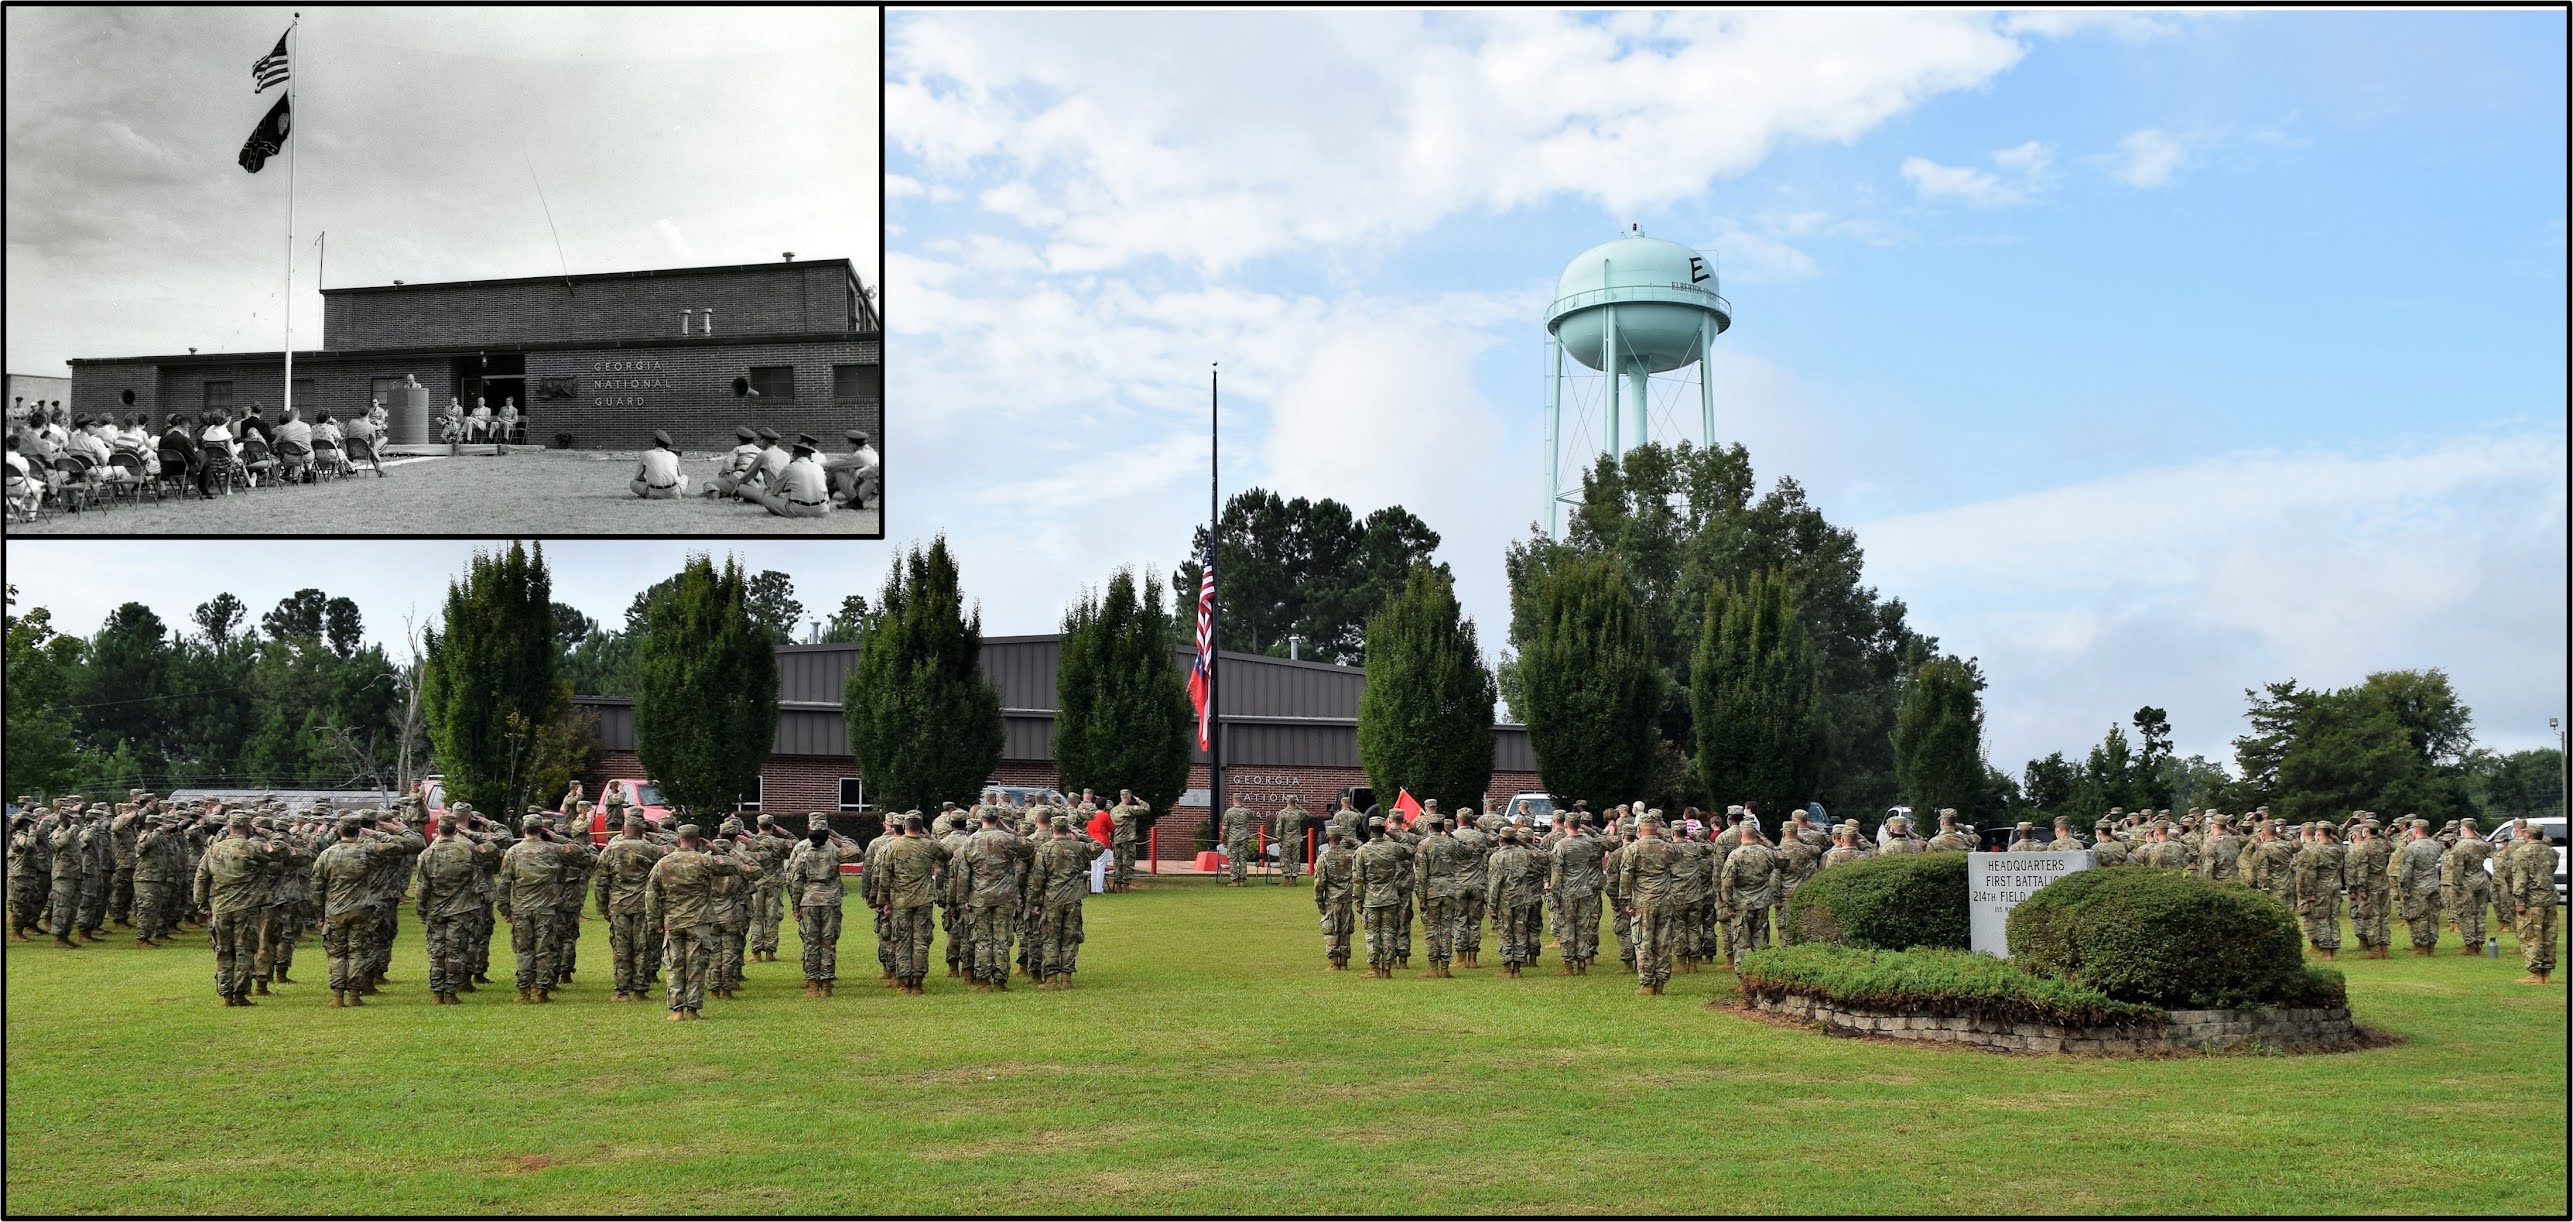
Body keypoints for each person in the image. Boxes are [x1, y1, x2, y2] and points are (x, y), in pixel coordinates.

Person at [643, 823, 752, 1021]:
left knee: (674, 965)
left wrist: (655, 921)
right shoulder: (705, 860)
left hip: (673, 921)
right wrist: (716, 849)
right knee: (696, 965)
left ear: (679, 840)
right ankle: (692, 1009)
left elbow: (651, 894)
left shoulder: (663, 863)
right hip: (698, 921)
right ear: (697, 840)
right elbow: (734, 866)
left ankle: (677, 1010)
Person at [192, 812, 283, 1005]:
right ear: (248, 828)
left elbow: (201, 878)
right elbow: (280, 848)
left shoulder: (213, 849)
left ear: (229, 828)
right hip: (246, 908)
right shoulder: (253, 848)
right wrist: (266, 833)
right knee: (244, 951)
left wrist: (202, 905)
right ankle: (240, 993)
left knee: (223, 951)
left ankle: (226, 994)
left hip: (220, 907)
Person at [312, 814, 385, 1006]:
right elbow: (400, 846)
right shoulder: (367, 851)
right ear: (358, 831)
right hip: (361, 909)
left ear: (338, 830)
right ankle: (354, 995)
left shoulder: (327, 854)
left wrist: (319, 915)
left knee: (337, 953)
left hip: (335, 910)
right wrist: (376, 834)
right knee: (357, 951)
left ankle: (338, 996)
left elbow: (316, 887)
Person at [593, 814, 666, 1002]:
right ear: (641, 831)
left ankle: (622, 991)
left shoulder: (610, 850)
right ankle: (640, 990)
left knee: (621, 948)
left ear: (622, 830)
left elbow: (601, 881)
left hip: (619, 906)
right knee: (643, 947)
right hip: (644, 905)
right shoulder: (651, 849)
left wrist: (603, 907)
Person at [498, 814, 568, 1003]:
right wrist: (557, 837)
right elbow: (583, 853)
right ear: (542, 830)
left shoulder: (513, 852)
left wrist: (505, 910)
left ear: (523, 830)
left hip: (522, 909)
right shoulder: (553, 849)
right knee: (545, 950)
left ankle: (524, 992)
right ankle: (542, 991)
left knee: (524, 950)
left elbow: (504, 883)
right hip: (546, 909)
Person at [785, 812, 857, 995]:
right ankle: (826, 984)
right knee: (828, 942)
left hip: (809, 901)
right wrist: (838, 837)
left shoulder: (802, 854)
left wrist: (795, 906)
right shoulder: (835, 851)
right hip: (831, 901)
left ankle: (812, 984)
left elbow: (795, 882)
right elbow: (857, 853)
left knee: (811, 942)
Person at [876, 813, 949, 995]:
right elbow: (948, 854)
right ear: (921, 827)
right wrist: (929, 836)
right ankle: (917, 982)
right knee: (920, 941)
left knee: (902, 941)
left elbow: (884, 877)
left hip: (900, 901)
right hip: (924, 900)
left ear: (904, 827)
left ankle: (904, 982)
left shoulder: (892, 847)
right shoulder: (928, 845)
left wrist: (884, 901)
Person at [1619, 811, 1686, 995]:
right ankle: (1660, 982)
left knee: (1643, 943)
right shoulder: (1668, 848)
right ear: (1656, 829)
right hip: (1665, 900)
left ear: (1639, 829)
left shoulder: (1632, 849)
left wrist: (1625, 900)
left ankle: (1647, 984)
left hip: (1643, 901)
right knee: (1663, 943)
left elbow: (1626, 877)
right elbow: (1679, 856)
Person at [2499, 819, 2558, 984]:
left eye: (2525, 833)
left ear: (2529, 835)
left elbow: (2520, 879)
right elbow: (2551, 870)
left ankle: (2536, 973)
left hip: (2532, 901)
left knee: (2531, 936)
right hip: (2550, 899)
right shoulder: (2550, 851)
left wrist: (2519, 901)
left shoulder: (2522, 852)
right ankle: (2546, 973)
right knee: (2549, 936)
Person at [1720, 816, 1780, 971]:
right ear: (1756, 835)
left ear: (1740, 834)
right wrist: (1765, 841)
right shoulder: (1767, 852)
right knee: (1761, 941)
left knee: (1742, 943)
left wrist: (1729, 906)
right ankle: (1760, 973)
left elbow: (1726, 883)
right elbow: (1783, 859)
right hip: (1762, 903)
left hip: (1742, 904)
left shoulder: (1735, 855)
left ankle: (1743, 976)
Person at [1548, 814, 1605, 973]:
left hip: (1567, 893)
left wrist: (1554, 895)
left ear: (1566, 825)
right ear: (1580, 825)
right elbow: (1609, 842)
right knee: (1583, 928)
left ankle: (1568, 966)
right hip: (1585, 891)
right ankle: (1581, 964)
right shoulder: (1588, 842)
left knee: (1567, 928)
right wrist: (1591, 831)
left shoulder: (1561, 845)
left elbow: (1556, 873)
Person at [2291, 822, 2345, 960]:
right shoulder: (2337, 849)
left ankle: (2326, 952)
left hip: (2321, 889)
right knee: (2333, 919)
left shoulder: (2314, 851)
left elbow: (2310, 873)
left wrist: (2308, 892)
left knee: (2322, 919)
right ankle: (2333, 950)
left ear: (2319, 834)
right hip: (2335, 886)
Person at [2441, 818, 2495, 956]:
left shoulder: (2461, 846)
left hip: (2467, 883)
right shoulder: (2482, 844)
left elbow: (2458, 868)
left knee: (2467, 914)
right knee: (2480, 914)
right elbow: (2489, 849)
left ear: (2463, 829)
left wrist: (2455, 887)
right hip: (2482, 880)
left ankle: (2471, 945)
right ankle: (2480, 942)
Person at [746, 434, 832, 517]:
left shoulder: (790, 468)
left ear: (795, 455)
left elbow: (774, 491)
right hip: (822, 510)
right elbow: (825, 491)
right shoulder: (819, 468)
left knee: (767, 498)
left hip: (798, 509)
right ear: (809, 456)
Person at [2394, 817, 2445, 956]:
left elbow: (2406, 871)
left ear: (2415, 831)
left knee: (2418, 918)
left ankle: (2421, 947)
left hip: (2417, 887)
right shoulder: (2435, 845)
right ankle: (2431, 945)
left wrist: (2404, 890)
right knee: (2433, 917)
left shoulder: (2411, 847)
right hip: (2433, 885)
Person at [2344, 820, 2394, 958]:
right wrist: (2382, 835)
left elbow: (2362, 869)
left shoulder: (2362, 847)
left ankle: (2375, 949)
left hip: (2370, 886)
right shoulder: (2384, 844)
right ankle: (2385, 948)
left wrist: (2361, 889)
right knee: (2383, 917)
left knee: (2371, 916)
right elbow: (2393, 846)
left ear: (2365, 831)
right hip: (2383, 883)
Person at [1312, 831, 1358, 971]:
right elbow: (1361, 847)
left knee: (1331, 930)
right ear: (1341, 838)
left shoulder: (1324, 857)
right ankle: (1344, 962)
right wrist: (1349, 839)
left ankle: (1333, 962)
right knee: (1345, 930)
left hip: (1331, 900)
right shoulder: (1351, 855)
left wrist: (1319, 901)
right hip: (1347, 898)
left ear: (1327, 838)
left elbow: (1319, 883)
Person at [823, 429, 880, 508]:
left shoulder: (859, 455)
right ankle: (830, 490)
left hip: (861, 494)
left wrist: (814, 465)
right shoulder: (872, 452)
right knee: (845, 469)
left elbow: (830, 465)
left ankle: (828, 492)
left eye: (850, 444)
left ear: (854, 444)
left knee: (835, 470)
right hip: (871, 493)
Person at [1107, 789, 1149, 892]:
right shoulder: (1130, 809)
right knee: (1128, 861)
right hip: (1128, 839)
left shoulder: (1113, 810)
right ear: (1129, 797)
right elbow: (1146, 808)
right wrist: (1139, 800)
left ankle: (1117, 885)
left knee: (1118, 862)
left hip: (1117, 838)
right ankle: (1125, 886)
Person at [630, 430, 688, 498]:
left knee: (633, 483)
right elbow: (679, 476)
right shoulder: (673, 455)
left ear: (655, 443)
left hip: (654, 492)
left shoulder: (646, 454)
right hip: (673, 492)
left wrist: (646, 482)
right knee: (685, 477)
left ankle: (650, 494)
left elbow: (637, 477)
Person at [272, 406, 314, 483]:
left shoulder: (284, 428)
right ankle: (306, 471)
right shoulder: (307, 426)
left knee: (289, 453)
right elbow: (310, 440)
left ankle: (279, 478)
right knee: (309, 450)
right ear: (299, 416)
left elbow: (275, 444)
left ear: (288, 416)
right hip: (306, 457)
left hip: (290, 458)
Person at [1273, 798, 1310, 886]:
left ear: (1287, 802)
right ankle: (1294, 880)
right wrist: (1298, 807)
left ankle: (1287, 880)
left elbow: (1279, 827)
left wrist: (1279, 838)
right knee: (1295, 859)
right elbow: (1307, 814)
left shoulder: (1282, 813)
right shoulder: (1299, 813)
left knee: (1285, 859)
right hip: (1296, 839)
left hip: (1286, 839)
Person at [1220, 800, 1256, 886]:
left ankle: (1234, 880)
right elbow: (1253, 815)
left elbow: (1224, 828)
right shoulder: (1246, 811)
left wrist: (1224, 840)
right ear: (1242, 801)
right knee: (1243, 859)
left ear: (1233, 801)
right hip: (1244, 838)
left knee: (1233, 859)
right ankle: (1242, 880)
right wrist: (1244, 806)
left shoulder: (1228, 812)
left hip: (1233, 838)